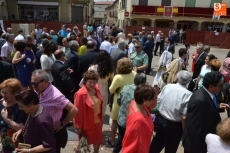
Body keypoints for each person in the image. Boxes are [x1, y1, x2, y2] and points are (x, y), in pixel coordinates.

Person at [31, 70, 78, 153]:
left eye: (35, 84)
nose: (33, 86)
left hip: (52, 133)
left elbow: (74, 109)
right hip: (40, 132)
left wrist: (62, 124)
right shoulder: (38, 91)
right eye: (32, 83)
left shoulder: (56, 96)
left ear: (45, 81)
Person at [182, 71, 230, 153]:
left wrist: (217, 107)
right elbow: (194, 129)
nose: (222, 88)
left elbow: (206, 110)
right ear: (211, 86)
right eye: (220, 85)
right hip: (196, 147)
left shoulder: (206, 94)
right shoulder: (200, 101)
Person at [149, 71, 192, 153]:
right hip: (175, 126)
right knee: (171, 149)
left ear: (177, 78)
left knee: (156, 145)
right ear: (188, 81)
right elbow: (184, 116)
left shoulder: (168, 86)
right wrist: (184, 131)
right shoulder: (188, 94)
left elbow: (158, 100)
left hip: (161, 120)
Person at [113, 73, 147, 153]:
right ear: (144, 83)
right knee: (129, 142)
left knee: (121, 138)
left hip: (121, 119)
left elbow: (119, 101)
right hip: (132, 122)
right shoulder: (143, 93)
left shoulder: (126, 87)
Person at [109, 57, 136, 146]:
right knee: (129, 121)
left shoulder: (118, 77)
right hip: (132, 102)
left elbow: (111, 90)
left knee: (115, 121)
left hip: (119, 102)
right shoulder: (134, 74)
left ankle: (112, 139)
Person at [74, 70, 103, 153]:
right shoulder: (80, 94)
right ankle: (77, 149)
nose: (92, 84)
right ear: (85, 81)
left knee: (97, 140)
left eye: (94, 82)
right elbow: (77, 112)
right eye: (90, 82)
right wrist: (78, 126)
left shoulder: (96, 89)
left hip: (97, 121)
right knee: (84, 144)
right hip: (86, 124)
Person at [122, 84, 156, 153]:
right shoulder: (139, 121)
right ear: (144, 100)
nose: (153, 100)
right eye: (152, 98)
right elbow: (140, 145)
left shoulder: (135, 103)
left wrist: (155, 94)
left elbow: (153, 105)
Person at [0, 78, 27, 152]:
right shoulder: (1, 104)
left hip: (18, 144)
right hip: (5, 143)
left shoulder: (20, 107)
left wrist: (6, 119)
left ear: (15, 92)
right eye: (2, 92)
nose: (3, 95)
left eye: (6, 93)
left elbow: (21, 128)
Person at [85, 50, 113, 116]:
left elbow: (86, 80)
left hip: (92, 91)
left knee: (92, 112)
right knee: (101, 113)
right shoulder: (109, 69)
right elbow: (113, 80)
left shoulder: (92, 68)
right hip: (104, 92)